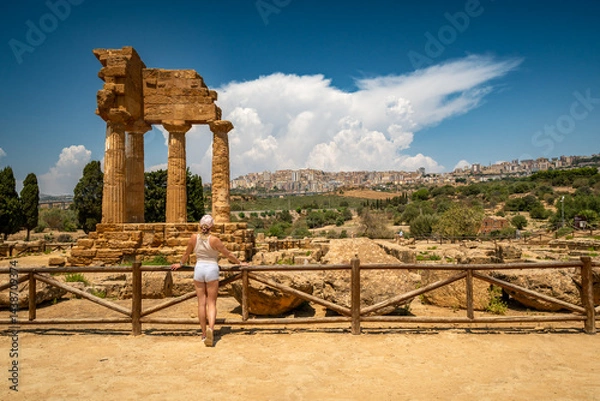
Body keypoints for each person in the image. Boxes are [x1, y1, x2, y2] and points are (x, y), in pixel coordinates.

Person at [171, 215, 246, 347]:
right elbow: (228, 254)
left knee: (201, 303)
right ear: (211, 226)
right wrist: (240, 263)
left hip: (199, 269)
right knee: (212, 303)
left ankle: (204, 333)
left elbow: (186, 254)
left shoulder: (194, 238)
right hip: (212, 269)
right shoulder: (215, 240)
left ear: (200, 225)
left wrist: (180, 264)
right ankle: (211, 328)